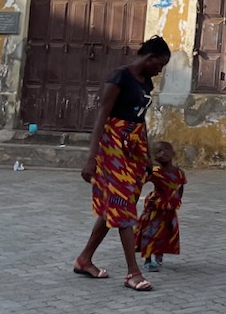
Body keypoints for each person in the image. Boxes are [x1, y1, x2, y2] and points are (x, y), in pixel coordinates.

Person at [72, 36, 171, 291]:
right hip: (112, 148)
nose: (160, 71)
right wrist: (91, 159)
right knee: (124, 207)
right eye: (159, 65)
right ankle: (133, 273)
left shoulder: (145, 81)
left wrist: (147, 157)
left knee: (113, 209)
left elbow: (141, 120)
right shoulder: (119, 77)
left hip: (134, 148)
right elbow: (101, 118)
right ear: (149, 58)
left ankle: (84, 260)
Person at [137, 140, 186, 273]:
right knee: (150, 232)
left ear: (173, 153)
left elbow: (180, 187)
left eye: (166, 150)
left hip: (169, 209)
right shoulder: (155, 171)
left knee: (165, 232)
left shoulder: (179, 173)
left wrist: (177, 200)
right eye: (158, 151)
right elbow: (141, 181)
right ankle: (147, 259)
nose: (162, 153)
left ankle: (159, 254)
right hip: (156, 208)